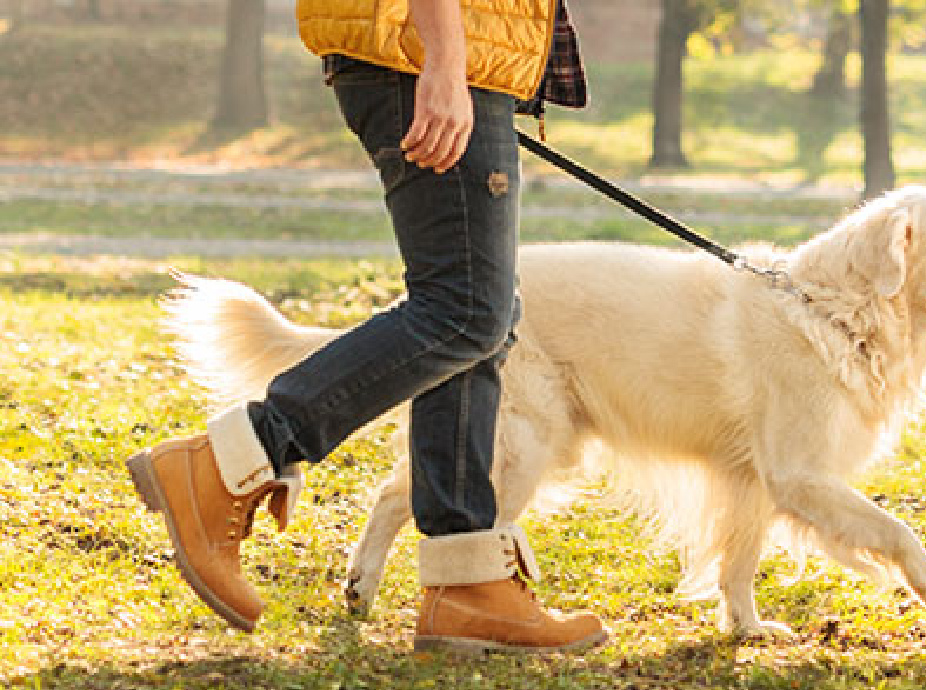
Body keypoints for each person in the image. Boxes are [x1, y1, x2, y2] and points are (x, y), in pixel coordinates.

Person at [126, 0, 607, 653]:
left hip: (450, 53)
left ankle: (467, 586)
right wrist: (444, 58)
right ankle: (230, 460)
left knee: (481, 319)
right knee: (466, 310)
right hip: (429, 50)